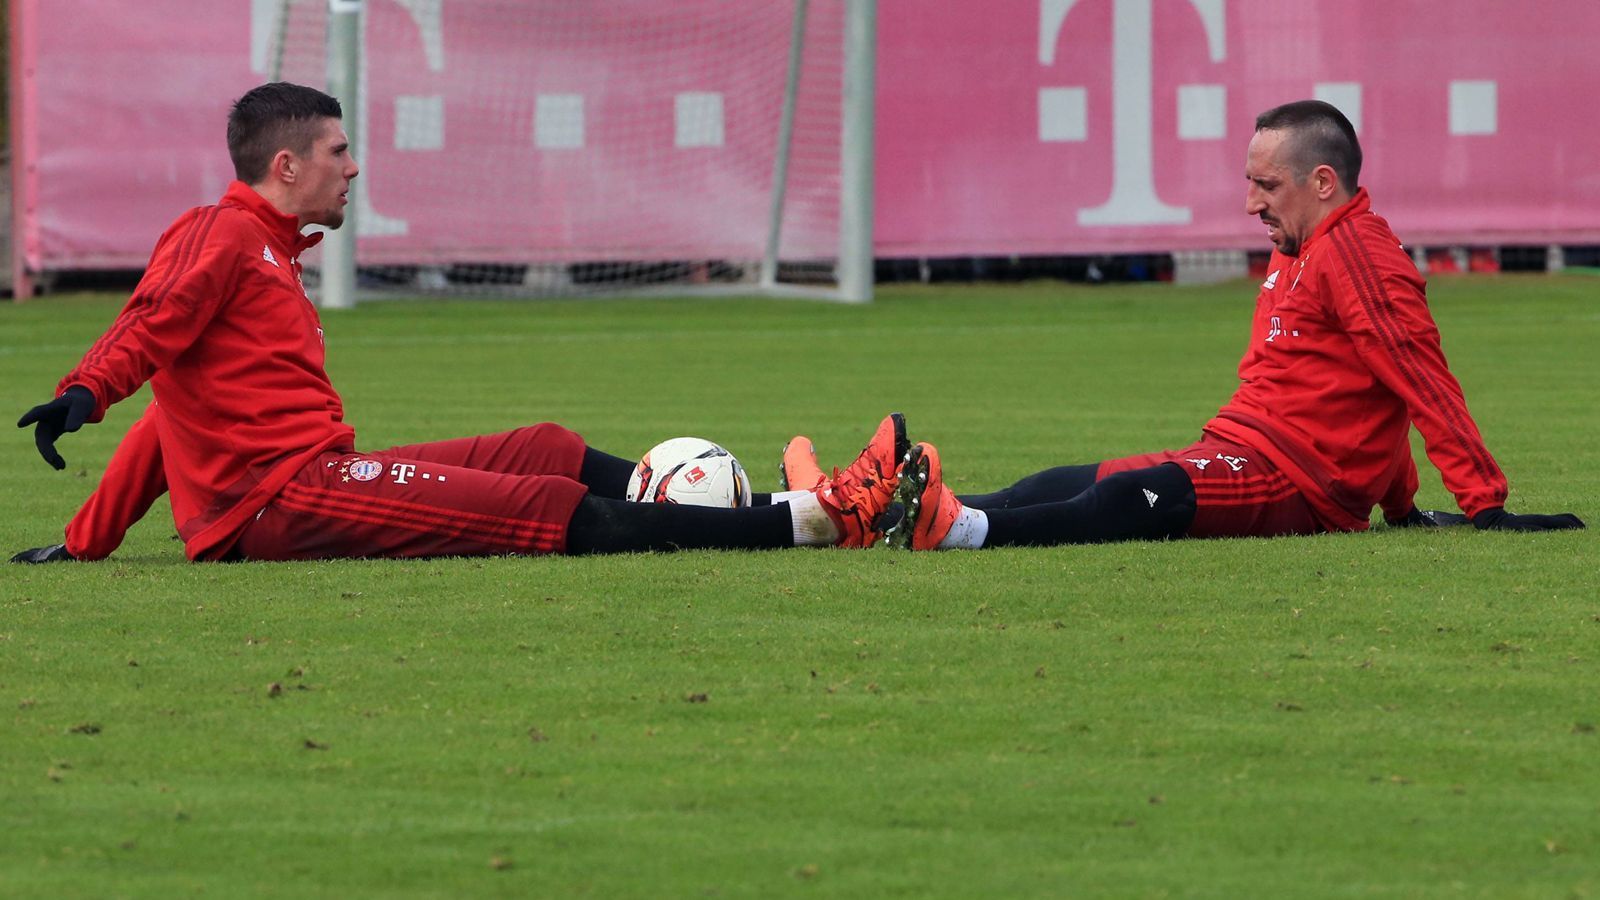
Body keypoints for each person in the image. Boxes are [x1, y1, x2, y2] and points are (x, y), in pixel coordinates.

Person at [13, 82, 904, 564]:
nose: (354, 167)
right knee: (547, 509)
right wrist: (85, 393)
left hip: (300, 477)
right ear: (286, 165)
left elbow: (176, 410)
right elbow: (153, 325)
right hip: (279, 498)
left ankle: (786, 501)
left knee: (549, 449)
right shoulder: (221, 235)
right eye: (338, 151)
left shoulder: (271, 250)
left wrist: (89, 540)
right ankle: (814, 524)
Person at [783, 100, 1583, 550]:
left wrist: (1485, 507)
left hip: (1294, 479)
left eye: (1266, 184)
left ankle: (953, 533)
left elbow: (1417, 378)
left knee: (1138, 496)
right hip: (1243, 446)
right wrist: (1403, 509)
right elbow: (1374, 397)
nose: (1251, 203)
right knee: (1072, 481)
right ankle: (893, 505)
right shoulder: (1310, 244)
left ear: (1325, 181)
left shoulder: (1358, 256)